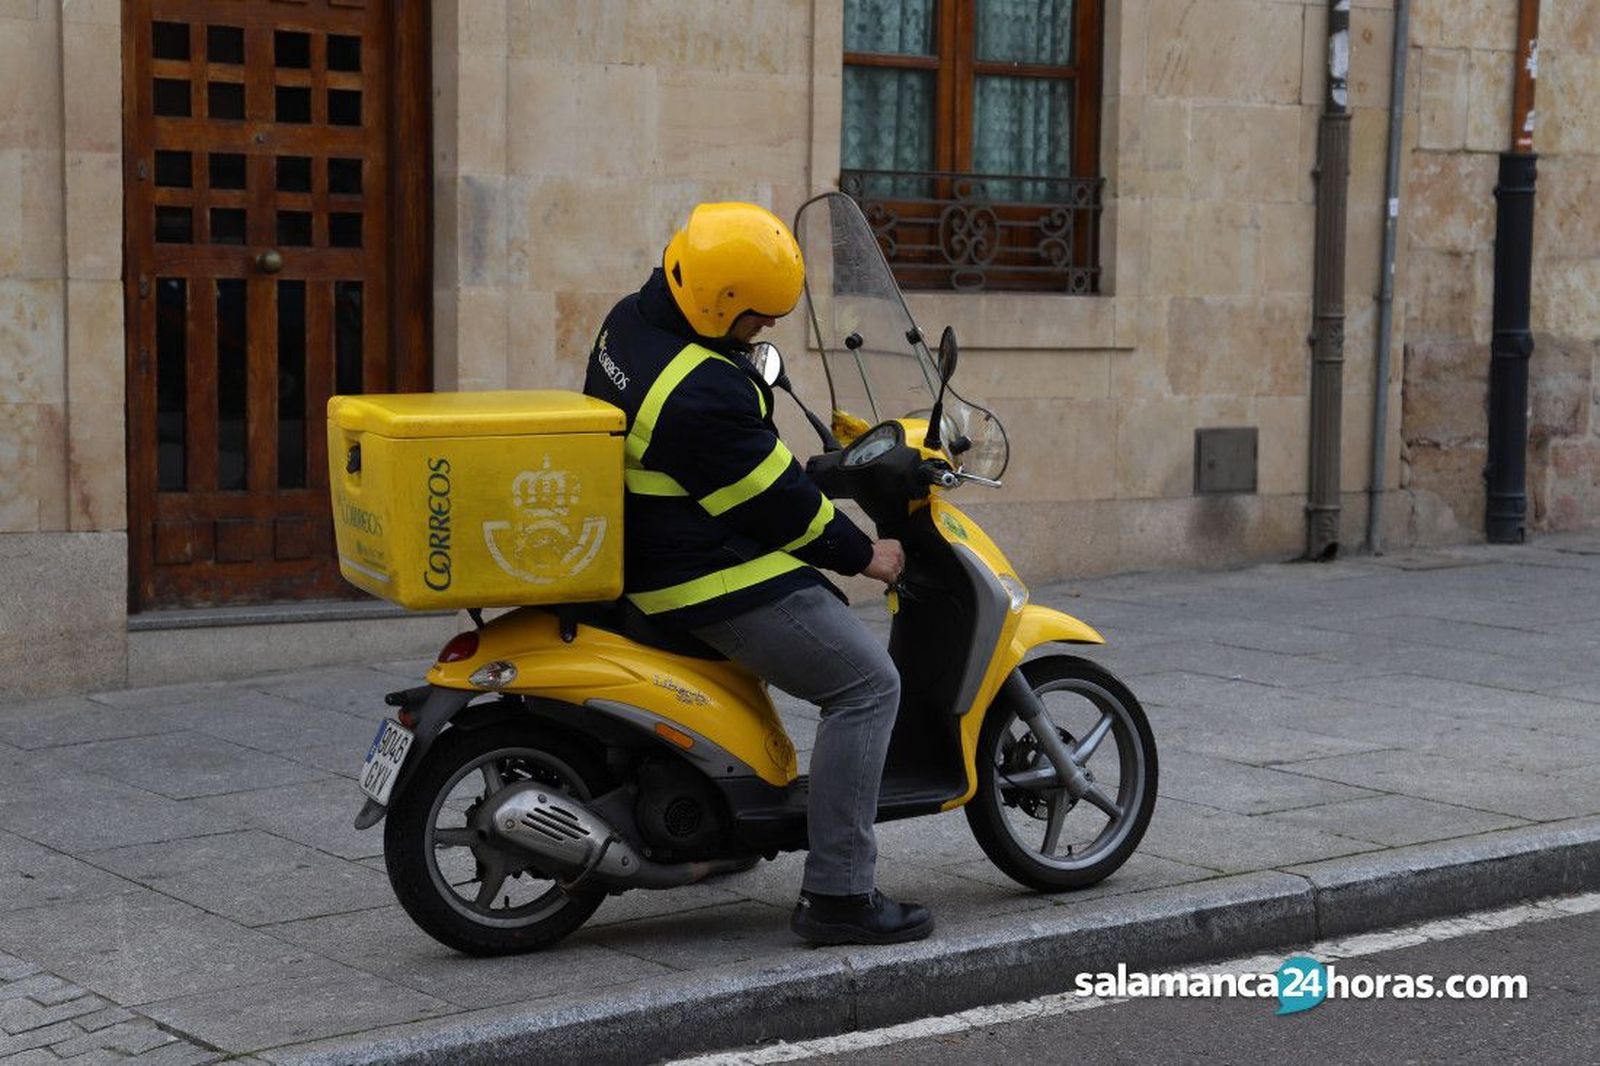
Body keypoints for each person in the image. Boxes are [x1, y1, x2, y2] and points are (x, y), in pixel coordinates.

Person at [582, 201, 933, 945]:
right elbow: (780, 508)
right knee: (869, 685)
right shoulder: (701, 389)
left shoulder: (634, 320)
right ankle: (840, 894)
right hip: (700, 572)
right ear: (718, 304)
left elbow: (744, 468)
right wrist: (866, 553)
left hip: (660, 542)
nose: (767, 330)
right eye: (759, 319)